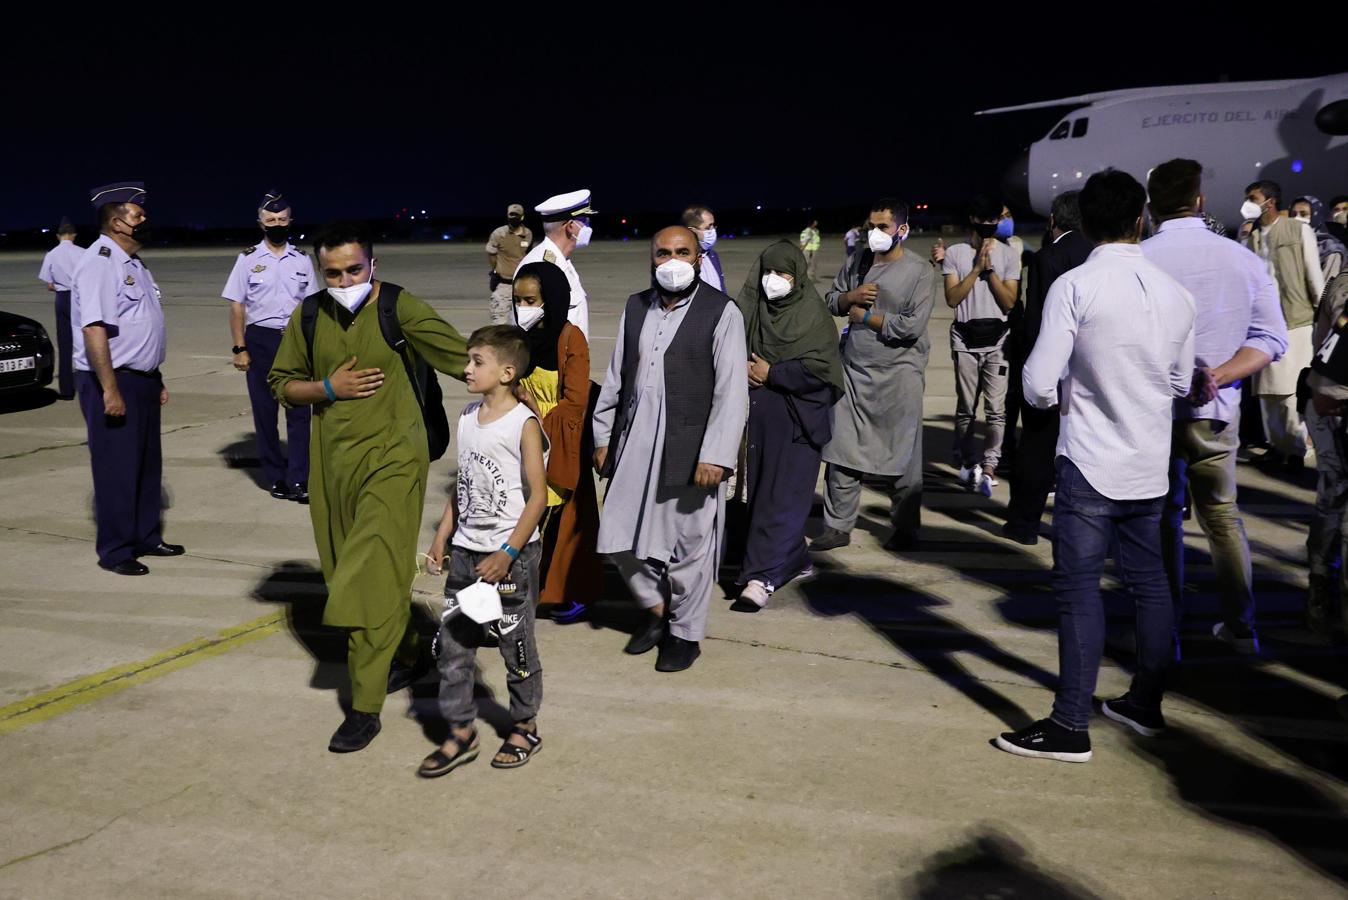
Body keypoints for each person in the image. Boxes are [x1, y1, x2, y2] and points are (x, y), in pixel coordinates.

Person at [995, 169, 1195, 763]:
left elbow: (1036, 381)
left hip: (1088, 460)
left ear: (1085, 222)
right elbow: (1183, 381)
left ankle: (1068, 724)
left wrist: (1061, 396)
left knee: (1079, 591)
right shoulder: (1175, 292)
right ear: (1141, 220)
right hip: (1150, 463)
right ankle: (1145, 702)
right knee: (1151, 584)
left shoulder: (1077, 285)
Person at [268, 221, 470, 753]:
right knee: (345, 573)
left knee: (366, 580)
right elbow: (281, 383)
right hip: (332, 467)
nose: (343, 280)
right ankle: (408, 647)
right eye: (332, 272)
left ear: (373, 266)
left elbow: (465, 360)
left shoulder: (399, 308)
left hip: (395, 463)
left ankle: (363, 705)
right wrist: (326, 388)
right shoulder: (309, 315)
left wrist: (525, 388)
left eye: (354, 269)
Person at [1143, 159, 1286, 656]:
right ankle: (1241, 627)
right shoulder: (1242, 259)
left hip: (1155, 412)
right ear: (1199, 202)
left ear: (1151, 205)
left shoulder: (1142, 259)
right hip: (1217, 409)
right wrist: (1217, 376)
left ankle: (1164, 632)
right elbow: (1271, 338)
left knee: (1162, 520)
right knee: (1223, 518)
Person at [592, 226, 748, 672]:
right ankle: (657, 610)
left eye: (683, 252)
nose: (673, 260)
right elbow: (619, 375)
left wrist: (716, 455)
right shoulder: (636, 306)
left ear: (699, 259)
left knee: (689, 547)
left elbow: (732, 391)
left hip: (693, 445)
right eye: (664, 252)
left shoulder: (722, 312)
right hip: (636, 436)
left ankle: (685, 634)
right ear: (652, 258)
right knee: (619, 536)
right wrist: (604, 436)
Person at [419, 325, 549, 777]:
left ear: (507, 371)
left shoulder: (523, 424)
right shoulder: (467, 417)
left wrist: (508, 552)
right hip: (467, 553)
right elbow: (465, 483)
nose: (467, 368)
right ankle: (460, 731)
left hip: (508, 560)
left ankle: (524, 724)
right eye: (468, 360)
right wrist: (442, 536)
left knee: (516, 648)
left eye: (477, 361)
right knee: (453, 647)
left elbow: (537, 496)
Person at [810, 199, 937, 553]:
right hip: (854, 370)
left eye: (883, 227)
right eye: (871, 226)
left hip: (899, 374)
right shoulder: (858, 261)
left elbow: (910, 327)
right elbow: (831, 300)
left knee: (903, 455)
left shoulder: (919, 272)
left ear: (902, 229)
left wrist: (865, 317)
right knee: (842, 448)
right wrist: (849, 297)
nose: (875, 234)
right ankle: (837, 526)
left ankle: (905, 527)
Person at [71, 182, 184, 576]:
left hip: (142, 380)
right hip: (113, 380)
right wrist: (110, 389)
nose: (144, 219)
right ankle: (117, 550)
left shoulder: (133, 264)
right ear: (117, 222)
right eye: (137, 214)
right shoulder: (100, 262)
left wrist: (157, 376)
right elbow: (94, 330)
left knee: (146, 464)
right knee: (117, 467)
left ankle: (146, 536)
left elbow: (142, 327)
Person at [733, 240, 843, 609]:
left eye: (783, 273)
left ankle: (762, 577)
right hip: (758, 421)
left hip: (797, 420)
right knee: (761, 495)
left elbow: (823, 370)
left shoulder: (813, 316)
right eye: (768, 272)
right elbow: (727, 346)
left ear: (797, 277)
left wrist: (773, 372)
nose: (773, 281)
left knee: (782, 498)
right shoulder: (750, 309)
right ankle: (793, 558)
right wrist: (742, 369)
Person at [513, 261, 602, 624]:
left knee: (567, 524)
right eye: (518, 300)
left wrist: (535, 411)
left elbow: (576, 401)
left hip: (561, 442)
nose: (523, 308)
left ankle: (570, 592)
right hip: (524, 441)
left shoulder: (570, 339)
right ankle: (524, 591)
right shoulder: (518, 339)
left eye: (531, 300)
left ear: (551, 299)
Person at [1001, 191, 1091, 545]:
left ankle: (1023, 524)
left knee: (1036, 449)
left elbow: (1039, 321)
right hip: (1089, 372)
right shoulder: (1097, 254)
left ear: (1054, 219)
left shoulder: (1046, 258)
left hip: (1054, 370)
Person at [222, 190, 317, 503]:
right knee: (265, 413)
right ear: (261, 223)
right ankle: (275, 477)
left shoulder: (302, 260)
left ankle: (300, 479)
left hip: (296, 342)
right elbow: (237, 306)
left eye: (282, 219)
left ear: (290, 221)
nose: (277, 223)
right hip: (260, 340)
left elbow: (313, 308)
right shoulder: (248, 259)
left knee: (300, 413)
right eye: (271, 219)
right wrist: (240, 348)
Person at [1243, 179, 1324, 470]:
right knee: (1267, 392)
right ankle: (1277, 445)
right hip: (1264, 324)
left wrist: (1321, 311)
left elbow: (1314, 275)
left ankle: (1296, 448)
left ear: (1270, 201)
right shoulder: (1251, 238)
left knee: (1289, 392)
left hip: (1296, 320)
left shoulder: (1299, 230)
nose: (1248, 204)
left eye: (1253, 198)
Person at [943, 195, 1021, 497]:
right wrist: (976, 269)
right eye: (985, 221)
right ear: (973, 220)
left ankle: (990, 465)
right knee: (966, 408)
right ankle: (967, 460)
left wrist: (990, 272)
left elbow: (1010, 302)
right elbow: (952, 298)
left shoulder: (1009, 254)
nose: (990, 226)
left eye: (995, 221)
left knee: (996, 410)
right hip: (964, 339)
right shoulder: (955, 253)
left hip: (998, 341)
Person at [1304, 270, 1348, 634]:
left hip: (1331, 398)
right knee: (1334, 498)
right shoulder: (1344, 284)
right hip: (1335, 405)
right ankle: (1321, 586)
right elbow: (1325, 388)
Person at [516, 189, 595, 339]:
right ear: (571, 226)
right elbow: (530, 334)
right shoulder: (539, 267)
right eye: (585, 220)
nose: (588, 226)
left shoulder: (561, 262)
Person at [37, 216, 82, 399]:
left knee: (64, 345)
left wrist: (60, 284)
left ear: (58, 236)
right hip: (79, 299)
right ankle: (93, 385)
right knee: (86, 343)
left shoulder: (51, 255)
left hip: (61, 299)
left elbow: (49, 284)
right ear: (74, 235)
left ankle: (66, 390)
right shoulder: (83, 253)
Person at [485, 203, 533, 324]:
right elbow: (491, 254)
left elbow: (528, 255)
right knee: (499, 322)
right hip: (503, 284)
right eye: (511, 214)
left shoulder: (527, 234)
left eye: (516, 215)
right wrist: (496, 270)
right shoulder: (499, 234)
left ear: (522, 217)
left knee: (522, 322)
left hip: (521, 285)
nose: (513, 217)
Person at [1290, 195, 1345, 283]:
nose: (1297, 219)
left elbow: (1326, 289)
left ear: (1316, 216)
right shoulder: (1288, 244)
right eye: (1294, 214)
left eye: (1303, 214)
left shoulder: (1330, 249)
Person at [682, 204, 726, 291]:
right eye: (708, 228)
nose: (713, 231)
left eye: (713, 226)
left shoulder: (712, 255)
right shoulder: (680, 261)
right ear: (692, 231)